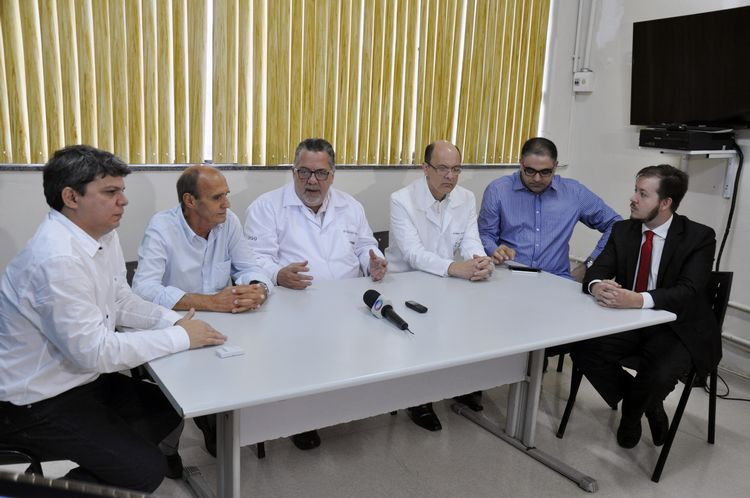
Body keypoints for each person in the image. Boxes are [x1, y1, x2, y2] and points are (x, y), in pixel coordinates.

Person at [0, 145, 226, 493]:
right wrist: (181, 337)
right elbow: (95, 353)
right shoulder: (56, 259)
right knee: (145, 472)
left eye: (122, 191)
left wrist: (172, 321)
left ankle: (108, 455)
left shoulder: (102, 235)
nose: (123, 201)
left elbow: (119, 300)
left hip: (77, 380)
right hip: (35, 401)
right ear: (71, 197)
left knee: (167, 408)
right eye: (111, 192)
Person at [244, 137, 387, 448]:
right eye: (303, 172)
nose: (312, 181)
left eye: (321, 173)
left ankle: (345, 403)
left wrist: (373, 261)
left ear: (332, 174)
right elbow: (254, 259)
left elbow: (365, 246)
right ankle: (302, 418)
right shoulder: (266, 207)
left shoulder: (351, 206)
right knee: (303, 357)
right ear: (293, 172)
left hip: (348, 301)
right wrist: (277, 275)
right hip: (296, 304)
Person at [573, 164, 719, 449]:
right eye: (635, 190)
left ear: (665, 203)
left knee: (660, 372)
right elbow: (596, 269)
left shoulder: (699, 237)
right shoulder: (623, 230)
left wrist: (638, 299)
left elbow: (688, 291)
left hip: (678, 327)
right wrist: (597, 285)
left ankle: (630, 416)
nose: (633, 199)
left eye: (643, 194)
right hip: (630, 323)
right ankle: (644, 405)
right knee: (582, 350)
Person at [132, 165, 273, 457]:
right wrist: (210, 302)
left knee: (252, 358)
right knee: (179, 381)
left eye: (227, 195)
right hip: (174, 325)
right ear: (190, 201)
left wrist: (258, 288)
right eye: (217, 197)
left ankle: (213, 420)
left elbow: (249, 267)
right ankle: (167, 448)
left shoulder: (228, 222)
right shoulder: (162, 227)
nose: (227, 204)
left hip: (224, 325)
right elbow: (142, 288)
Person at [386, 140, 493, 432]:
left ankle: (462, 385)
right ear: (425, 168)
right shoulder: (401, 199)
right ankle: (418, 400)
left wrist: (479, 260)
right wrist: (454, 267)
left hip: (444, 280)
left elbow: (470, 238)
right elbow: (412, 253)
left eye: (456, 169)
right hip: (404, 282)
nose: (451, 176)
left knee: (468, 322)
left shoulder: (466, 198)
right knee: (420, 335)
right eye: (443, 168)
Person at [478, 137, 621, 281]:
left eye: (545, 172)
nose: (537, 179)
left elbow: (616, 225)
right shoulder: (498, 190)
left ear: (555, 166)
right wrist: (494, 250)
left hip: (556, 280)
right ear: (521, 163)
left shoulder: (574, 193)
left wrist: (590, 264)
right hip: (506, 276)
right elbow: (485, 234)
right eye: (530, 171)